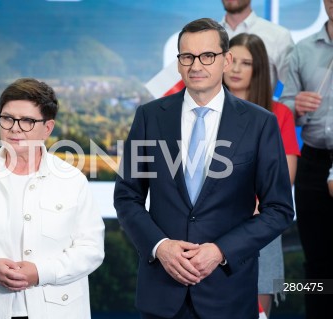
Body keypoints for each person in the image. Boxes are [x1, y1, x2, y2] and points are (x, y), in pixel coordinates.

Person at [114, 18, 294, 319]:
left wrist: (221, 251)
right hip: (162, 291)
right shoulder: (149, 117)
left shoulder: (261, 123)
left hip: (229, 292)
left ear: (226, 60)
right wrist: (161, 247)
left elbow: (278, 209)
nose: (196, 65)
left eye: (207, 56)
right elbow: (126, 196)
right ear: (179, 63)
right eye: (187, 57)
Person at [0, 78, 105, 319]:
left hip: (58, 309)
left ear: (48, 128)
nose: (14, 128)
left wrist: (40, 272)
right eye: (7, 118)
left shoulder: (72, 180)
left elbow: (91, 250)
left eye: (27, 121)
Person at [223, 32, 300, 317]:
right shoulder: (205, 110)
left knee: (258, 310)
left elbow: (286, 172)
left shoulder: (279, 113)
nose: (235, 69)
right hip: (213, 222)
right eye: (231, 60)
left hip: (260, 221)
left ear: (259, 69)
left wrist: (256, 209)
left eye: (246, 63)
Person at [280, 1, 333, 317]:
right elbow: (285, 107)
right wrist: (296, 105)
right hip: (312, 161)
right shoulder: (302, 50)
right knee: (316, 259)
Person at [220, 0, 294, 94]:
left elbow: (293, 89)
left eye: (246, 63)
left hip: (262, 105)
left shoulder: (279, 36)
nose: (236, 69)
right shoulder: (208, 35)